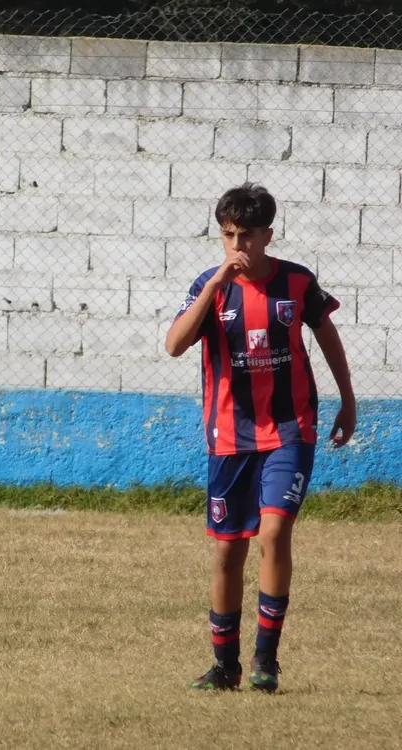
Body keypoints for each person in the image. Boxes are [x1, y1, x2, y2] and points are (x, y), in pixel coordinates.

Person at [165, 183, 355, 692]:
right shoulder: (212, 285)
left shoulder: (296, 282)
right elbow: (175, 345)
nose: (235, 246)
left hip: (290, 430)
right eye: (227, 236)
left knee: (273, 534)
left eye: (245, 236)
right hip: (229, 438)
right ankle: (224, 666)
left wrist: (348, 399)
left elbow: (326, 335)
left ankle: (265, 661)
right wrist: (213, 287)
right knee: (228, 552)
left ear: (267, 235)